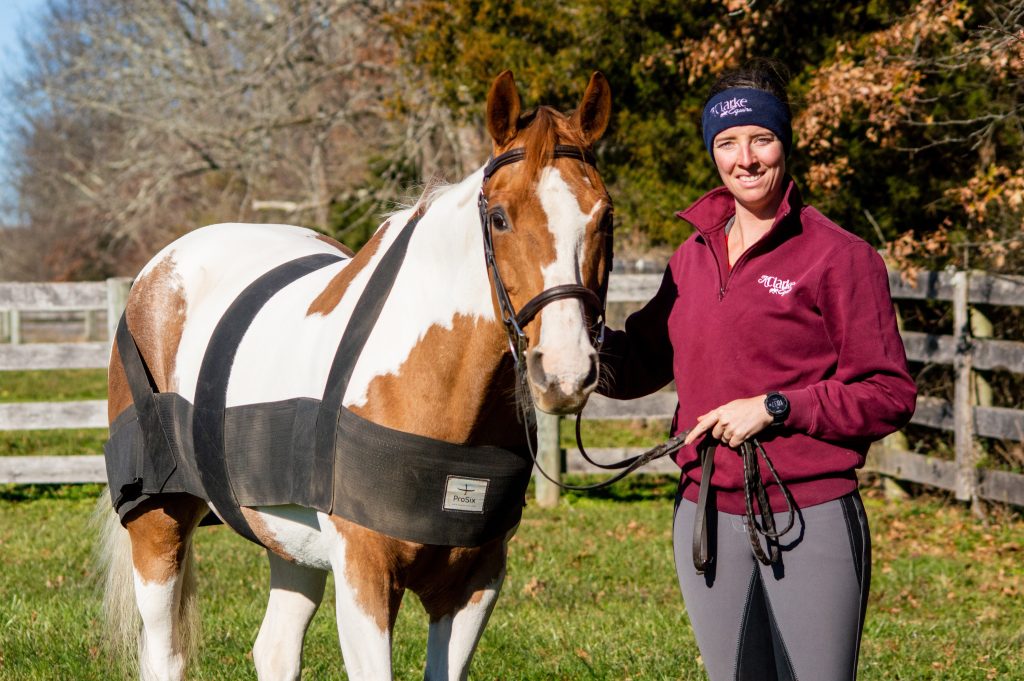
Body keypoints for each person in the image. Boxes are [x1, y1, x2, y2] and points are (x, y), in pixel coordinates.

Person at [599, 60, 917, 680]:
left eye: (760, 139)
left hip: (808, 512)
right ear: (712, 154)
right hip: (704, 514)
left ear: (784, 143)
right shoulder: (691, 257)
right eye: (726, 143)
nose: (744, 158)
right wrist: (565, 348)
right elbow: (641, 360)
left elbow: (889, 393)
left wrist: (777, 407)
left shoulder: (839, 256)